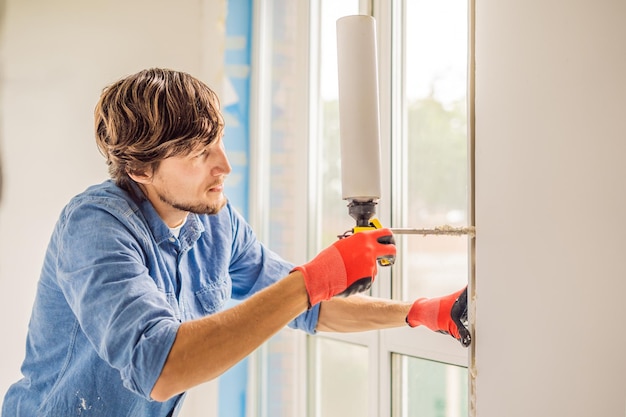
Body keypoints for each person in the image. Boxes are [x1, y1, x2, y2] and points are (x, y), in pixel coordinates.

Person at [2, 68, 470, 417]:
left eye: (219, 141)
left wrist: (420, 313)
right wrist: (315, 279)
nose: (223, 165)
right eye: (197, 154)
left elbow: (304, 306)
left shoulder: (213, 222)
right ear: (140, 170)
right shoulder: (95, 227)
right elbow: (161, 370)